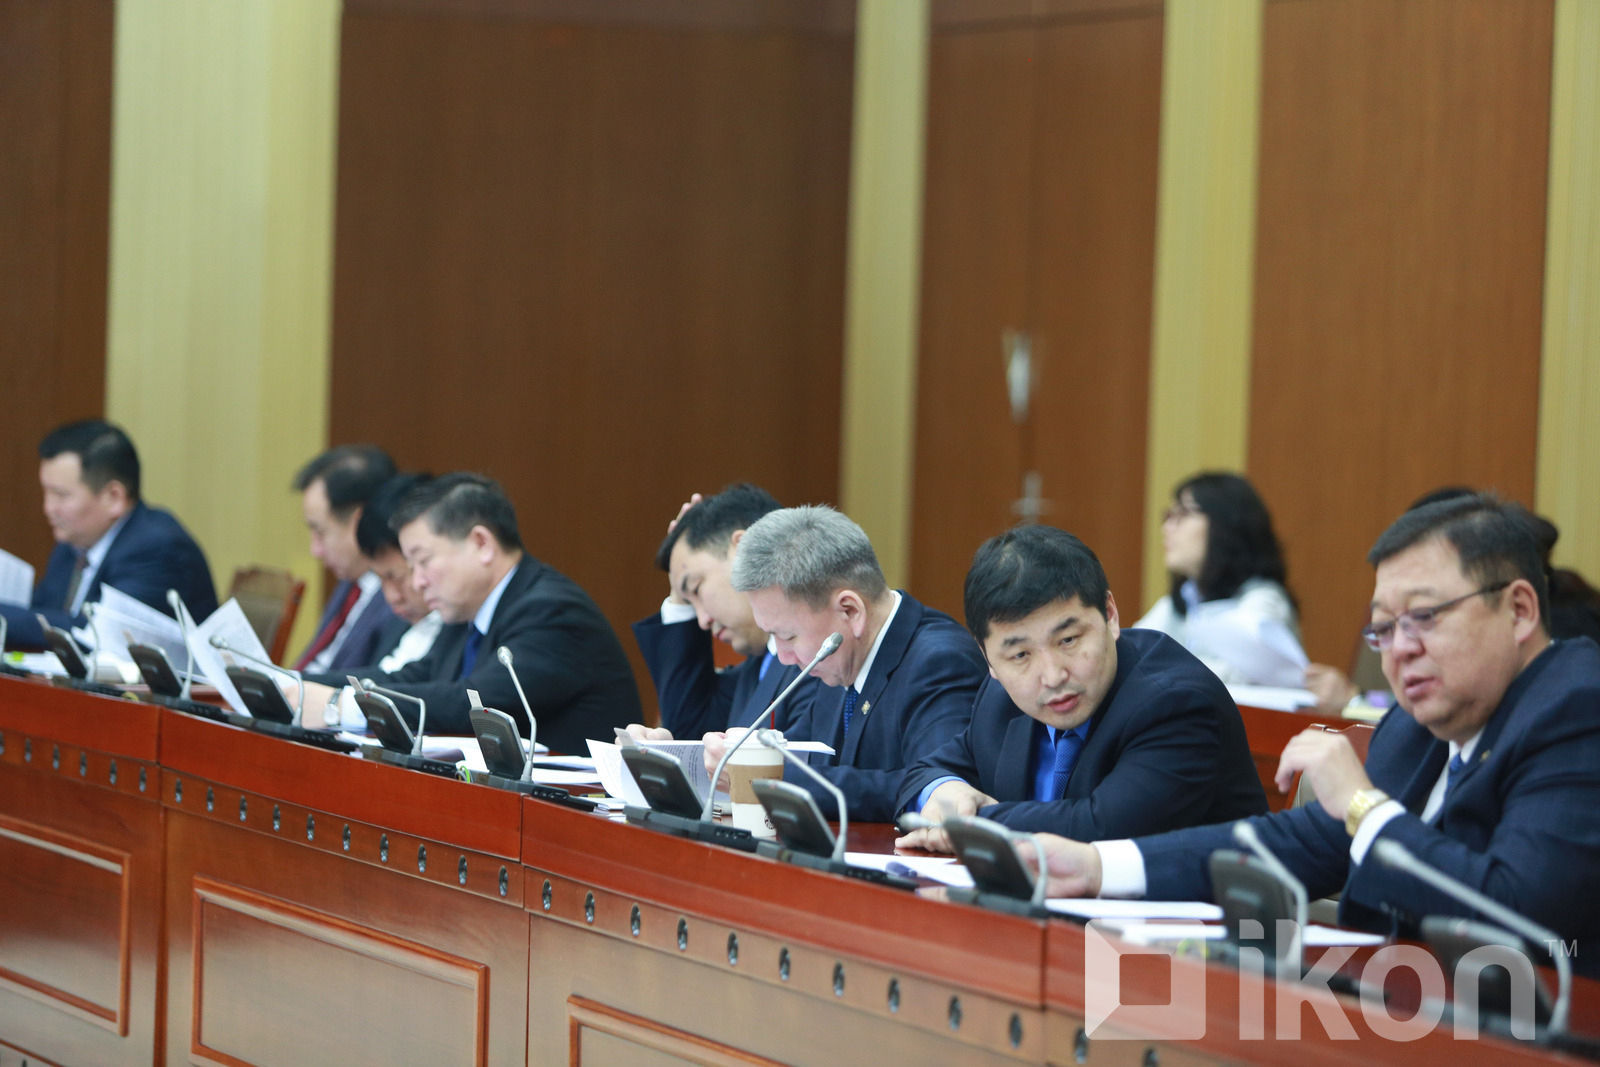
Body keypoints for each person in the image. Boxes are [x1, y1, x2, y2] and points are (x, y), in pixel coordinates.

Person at [1013, 495, 1600, 975]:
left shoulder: (1578, 710)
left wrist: (1364, 808)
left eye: (1424, 617)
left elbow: (1520, 914)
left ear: (1519, 611)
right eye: (1384, 628)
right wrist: (1097, 866)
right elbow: (1302, 841)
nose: (1401, 650)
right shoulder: (1415, 727)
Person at [895, 525, 1266, 851]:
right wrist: (943, 790)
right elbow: (926, 771)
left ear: (1110, 614)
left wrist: (968, 821)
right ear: (988, 659)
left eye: (1068, 640)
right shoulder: (1001, 698)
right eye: (1021, 654)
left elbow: (1102, 829)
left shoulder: (1176, 702)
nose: (1052, 675)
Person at [301, 473, 641, 753]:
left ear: (482, 544)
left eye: (423, 561)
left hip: (575, 807)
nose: (417, 582)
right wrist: (297, 684)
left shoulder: (551, 610)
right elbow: (414, 676)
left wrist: (345, 705)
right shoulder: (466, 611)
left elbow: (475, 706)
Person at [714, 505, 986, 822]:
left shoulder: (940, 662)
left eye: (788, 636)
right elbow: (799, 755)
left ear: (850, 611)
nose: (783, 657)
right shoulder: (837, 657)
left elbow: (936, 790)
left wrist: (775, 779)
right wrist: (741, 754)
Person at [3, 419, 217, 650]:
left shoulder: (158, 548)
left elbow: (96, 635)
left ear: (114, 497)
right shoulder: (73, 544)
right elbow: (43, 615)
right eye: (46, 492)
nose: (48, 508)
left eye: (61, 495)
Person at [629, 484, 813, 739]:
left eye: (696, 588)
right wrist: (678, 593)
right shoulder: (756, 669)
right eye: (689, 603)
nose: (702, 622)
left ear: (743, 549)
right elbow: (688, 730)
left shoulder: (817, 658)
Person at [1132, 471, 1307, 687]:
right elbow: (1131, 655)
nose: (1167, 527)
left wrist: (1157, 670)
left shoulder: (1265, 599)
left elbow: (1241, 675)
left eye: (1183, 513)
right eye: (1169, 515)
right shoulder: (1180, 600)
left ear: (1224, 524)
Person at [289, 445, 399, 671]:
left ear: (359, 522)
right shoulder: (350, 583)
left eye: (320, 532)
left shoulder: (399, 600)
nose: (315, 550)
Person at [351, 472, 442, 674]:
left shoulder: (462, 627)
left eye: (396, 577)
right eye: (380, 580)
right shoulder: (396, 624)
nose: (392, 597)